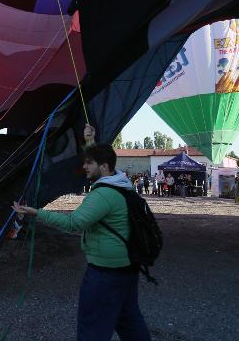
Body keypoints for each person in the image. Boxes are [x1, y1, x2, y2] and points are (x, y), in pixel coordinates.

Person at [12, 126, 151, 341]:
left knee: (93, 327)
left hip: (105, 274)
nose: (84, 166)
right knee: (129, 320)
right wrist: (90, 142)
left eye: (89, 163)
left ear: (103, 167)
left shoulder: (103, 195)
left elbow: (73, 223)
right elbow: (103, 159)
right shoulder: (123, 183)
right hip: (127, 268)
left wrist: (36, 213)